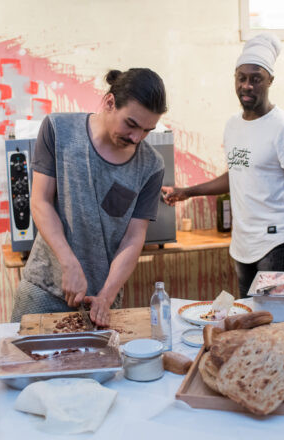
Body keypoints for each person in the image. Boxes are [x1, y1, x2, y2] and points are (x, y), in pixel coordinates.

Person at [11, 68, 167, 325]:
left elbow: (133, 237)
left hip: (101, 300)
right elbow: (40, 202)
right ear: (109, 103)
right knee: (25, 362)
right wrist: (68, 263)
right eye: (131, 124)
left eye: (147, 130)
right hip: (44, 288)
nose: (136, 137)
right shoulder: (58, 131)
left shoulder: (151, 165)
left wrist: (107, 295)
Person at [163, 33, 284, 298]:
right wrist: (188, 192)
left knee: (274, 323)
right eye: (241, 78)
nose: (247, 85)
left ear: (270, 81)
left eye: (256, 79)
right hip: (243, 244)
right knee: (249, 319)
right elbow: (238, 174)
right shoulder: (233, 125)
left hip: (278, 244)